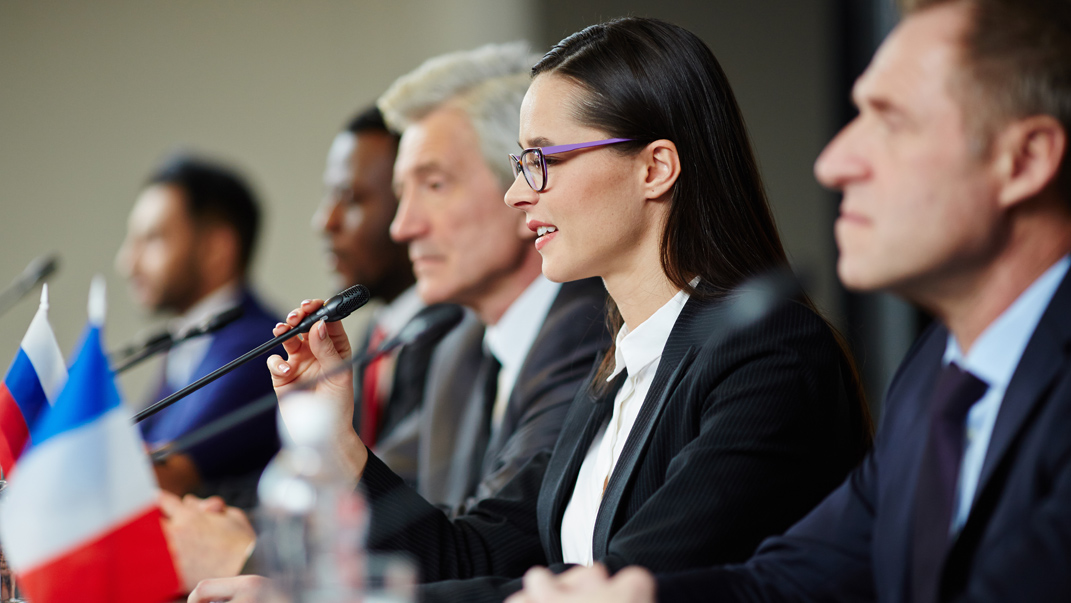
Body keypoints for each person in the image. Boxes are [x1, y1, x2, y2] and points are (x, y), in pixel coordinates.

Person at [188, 19, 872, 603]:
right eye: (519, 163)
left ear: (655, 168)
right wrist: (339, 437)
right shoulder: (621, 361)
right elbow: (479, 555)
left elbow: (610, 587)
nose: (517, 194)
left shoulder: (769, 353)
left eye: (541, 161)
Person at [505, 1, 1071, 602]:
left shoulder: (778, 350)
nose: (832, 163)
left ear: (1026, 159)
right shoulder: (935, 372)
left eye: (893, 121)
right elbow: (801, 576)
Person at [116, 155, 281, 505]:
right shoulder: (185, 342)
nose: (127, 262)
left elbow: (160, 478)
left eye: (153, 239)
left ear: (216, 249)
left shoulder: (258, 348)